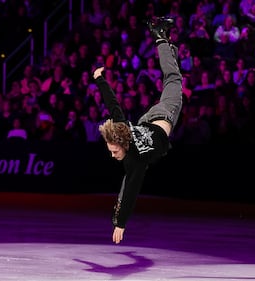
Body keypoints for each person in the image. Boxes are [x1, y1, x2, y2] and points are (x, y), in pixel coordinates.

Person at [92, 17, 183, 244]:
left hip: (164, 113)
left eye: (114, 151)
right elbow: (112, 105)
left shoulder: (137, 159)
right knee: (127, 175)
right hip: (146, 122)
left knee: (173, 80)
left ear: (122, 143)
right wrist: (99, 78)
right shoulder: (121, 131)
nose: (112, 156)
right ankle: (170, 48)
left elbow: (132, 192)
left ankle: (159, 34)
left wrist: (121, 223)